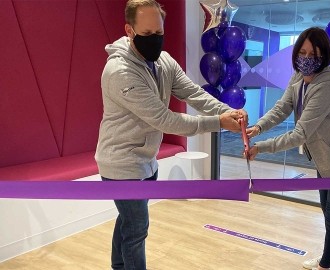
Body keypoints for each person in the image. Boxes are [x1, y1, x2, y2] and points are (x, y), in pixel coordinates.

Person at [94, 1, 247, 269]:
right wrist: (218, 122)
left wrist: (229, 111)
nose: (155, 40)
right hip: (121, 163)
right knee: (137, 229)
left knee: (128, 222)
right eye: (148, 34)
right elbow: (166, 120)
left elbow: (194, 93)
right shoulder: (120, 71)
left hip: (145, 159)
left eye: (159, 33)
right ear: (129, 30)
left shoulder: (162, 61)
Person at [245, 27, 330, 270]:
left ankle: (326, 265)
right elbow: (282, 108)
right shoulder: (298, 77)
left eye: (314, 53)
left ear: (324, 55)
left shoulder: (327, 86)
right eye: (303, 52)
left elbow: (300, 133)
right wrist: (257, 128)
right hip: (325, 158)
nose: (307, 58)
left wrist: (261, 147)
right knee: (326, 211)